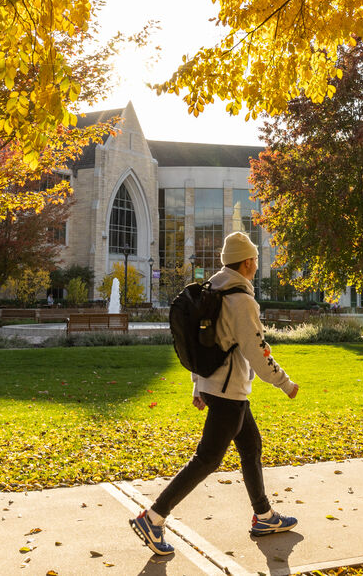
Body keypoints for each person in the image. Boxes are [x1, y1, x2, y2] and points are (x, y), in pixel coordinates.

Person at [130, 231, 300, 556]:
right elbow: (257, 350)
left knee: (250, 446)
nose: (256, 264)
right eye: (256, 259)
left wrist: (199, 385)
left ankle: (263, 515)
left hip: (217, 385)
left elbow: (201, 342)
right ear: (248, 262)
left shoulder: (213, 290)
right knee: (206, 459)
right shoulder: (241, 300)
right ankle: (153, 517)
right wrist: (285, 383)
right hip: (229, 391)